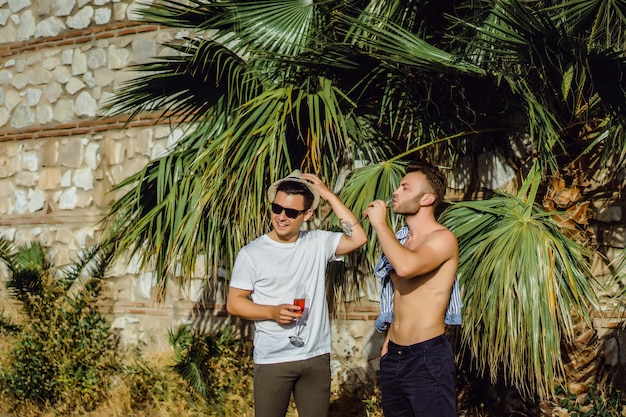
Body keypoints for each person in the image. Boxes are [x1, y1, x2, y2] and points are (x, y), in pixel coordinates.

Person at [226, 170, 367, 417]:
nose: (281, 217)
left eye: (291, 212)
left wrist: (328, 196)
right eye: (276, 208)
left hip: (315, 356)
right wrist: (271, 312)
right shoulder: (252, 253)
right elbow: (234, 304)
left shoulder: (317, 242)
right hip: (273, 359)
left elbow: (358, 237)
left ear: (307, 215)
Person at [364, 160, 460, 417]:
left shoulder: (442, 239)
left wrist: (380, 224)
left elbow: (407, 268)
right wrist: (387, 346)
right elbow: (401, 296)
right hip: (393, 355)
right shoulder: (401, 240)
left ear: (427, 198)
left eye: (405, 187)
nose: (396, 191)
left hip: (426, 357)